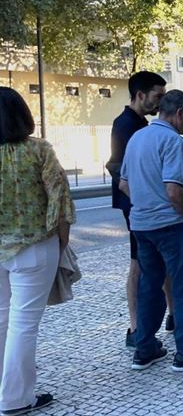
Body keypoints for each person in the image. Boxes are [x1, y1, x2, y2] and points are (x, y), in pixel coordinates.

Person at [120, 90, 183, 372]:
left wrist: (144, 204)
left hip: (142, 226)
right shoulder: (170, 140)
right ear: (179, 113)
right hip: (172, 226)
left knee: (150, 286)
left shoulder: (137, 138)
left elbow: (124, 185)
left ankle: (145, 348)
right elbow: (175, 190)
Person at [0, 87, 75, 414]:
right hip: (33, 246)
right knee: (23, 324)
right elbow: (59, 200)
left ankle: (6, 391)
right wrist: (62, 241)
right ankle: (15, 399)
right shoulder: (39, 150)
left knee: (2, 320)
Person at [105, 71, 183, 349]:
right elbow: (116, 167)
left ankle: (176, 316)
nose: (161, 103)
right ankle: (136, 329)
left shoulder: (141, 124)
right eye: (158, 97)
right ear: (140, 95)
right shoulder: (126, 125)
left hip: (146, 206)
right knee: (139, 265)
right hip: (139, 208)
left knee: (162, 262)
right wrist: (142, 199)